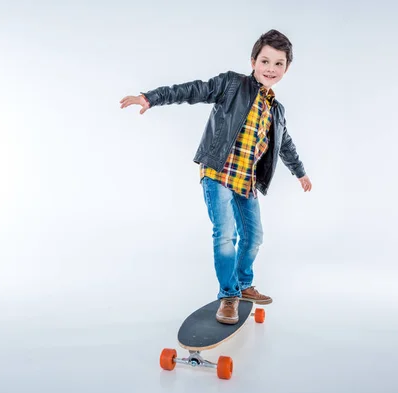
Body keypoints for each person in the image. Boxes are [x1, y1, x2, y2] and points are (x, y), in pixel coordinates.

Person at [119, 29, 312, 324]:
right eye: (265, 61)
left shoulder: (276, 109)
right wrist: (151, 98)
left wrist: (300, 173)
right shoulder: (232, 84)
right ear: (253, 61)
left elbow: (285, 143)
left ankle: (244, 284)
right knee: (226, 235)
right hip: (217, 172)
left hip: (246, 181)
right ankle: (228, 296)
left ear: (286, 68)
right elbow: (192, 90)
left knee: (254, 237)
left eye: (279, 64)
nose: (271, 69)